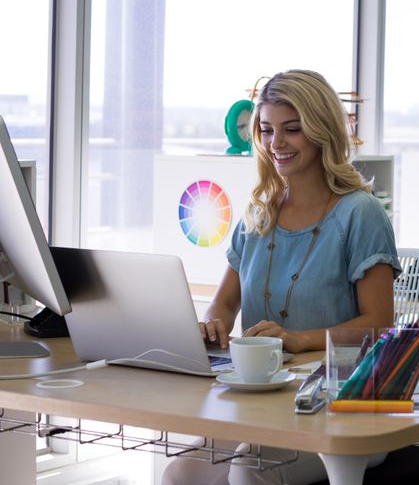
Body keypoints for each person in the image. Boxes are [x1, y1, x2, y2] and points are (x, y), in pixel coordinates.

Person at [163, 69, 400, 485]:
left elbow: (380, 326)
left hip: (348, 405)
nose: (276, 144)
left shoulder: (360, 213)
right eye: (267, 130)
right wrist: (213, 322)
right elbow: (225, 302)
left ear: (322, 130)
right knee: (180, 473)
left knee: (248, 471)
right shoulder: (259, 213)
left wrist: (296, 338)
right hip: (264, 402)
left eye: (292, 130)